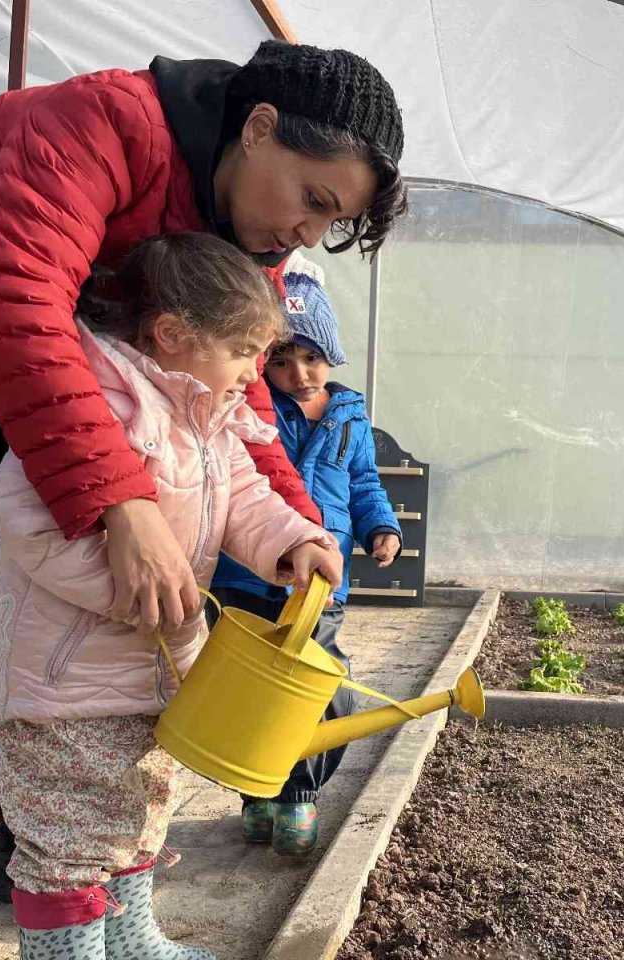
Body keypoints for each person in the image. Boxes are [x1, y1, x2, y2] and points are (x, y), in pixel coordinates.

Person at [0, 37, 405, 957]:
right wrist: (123, 500)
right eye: (314, 200)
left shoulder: (232, 230)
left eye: (331, 224)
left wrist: (298, 526)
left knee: (21, 590)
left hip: (25, 373)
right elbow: (14, 289)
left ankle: (32, 850)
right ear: (259, 129)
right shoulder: (104, 120)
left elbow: (237, 401)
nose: (310, 236)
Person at [0, 233, 343, 960]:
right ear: (174, 336)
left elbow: (244, 497)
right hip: (65, 678)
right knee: (67, 834)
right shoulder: (97, 407)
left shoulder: (209, 420)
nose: (256, 371)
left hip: (155, 669)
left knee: (137, 810)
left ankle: (132, 938)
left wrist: (292, 540)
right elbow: (27, 523)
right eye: (245, 351)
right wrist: (137, 592)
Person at [210, 260, 401, 856]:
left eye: (310, 358)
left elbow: (365, 481)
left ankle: (297, 792)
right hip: (247, 572)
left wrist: (381, 527)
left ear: (332, 353)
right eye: (281, 360)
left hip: (321, 580)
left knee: (324, 686)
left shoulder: (350, 413)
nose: (297, 373)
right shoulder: (253, 409)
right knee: (247, 691)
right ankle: (262, 796)